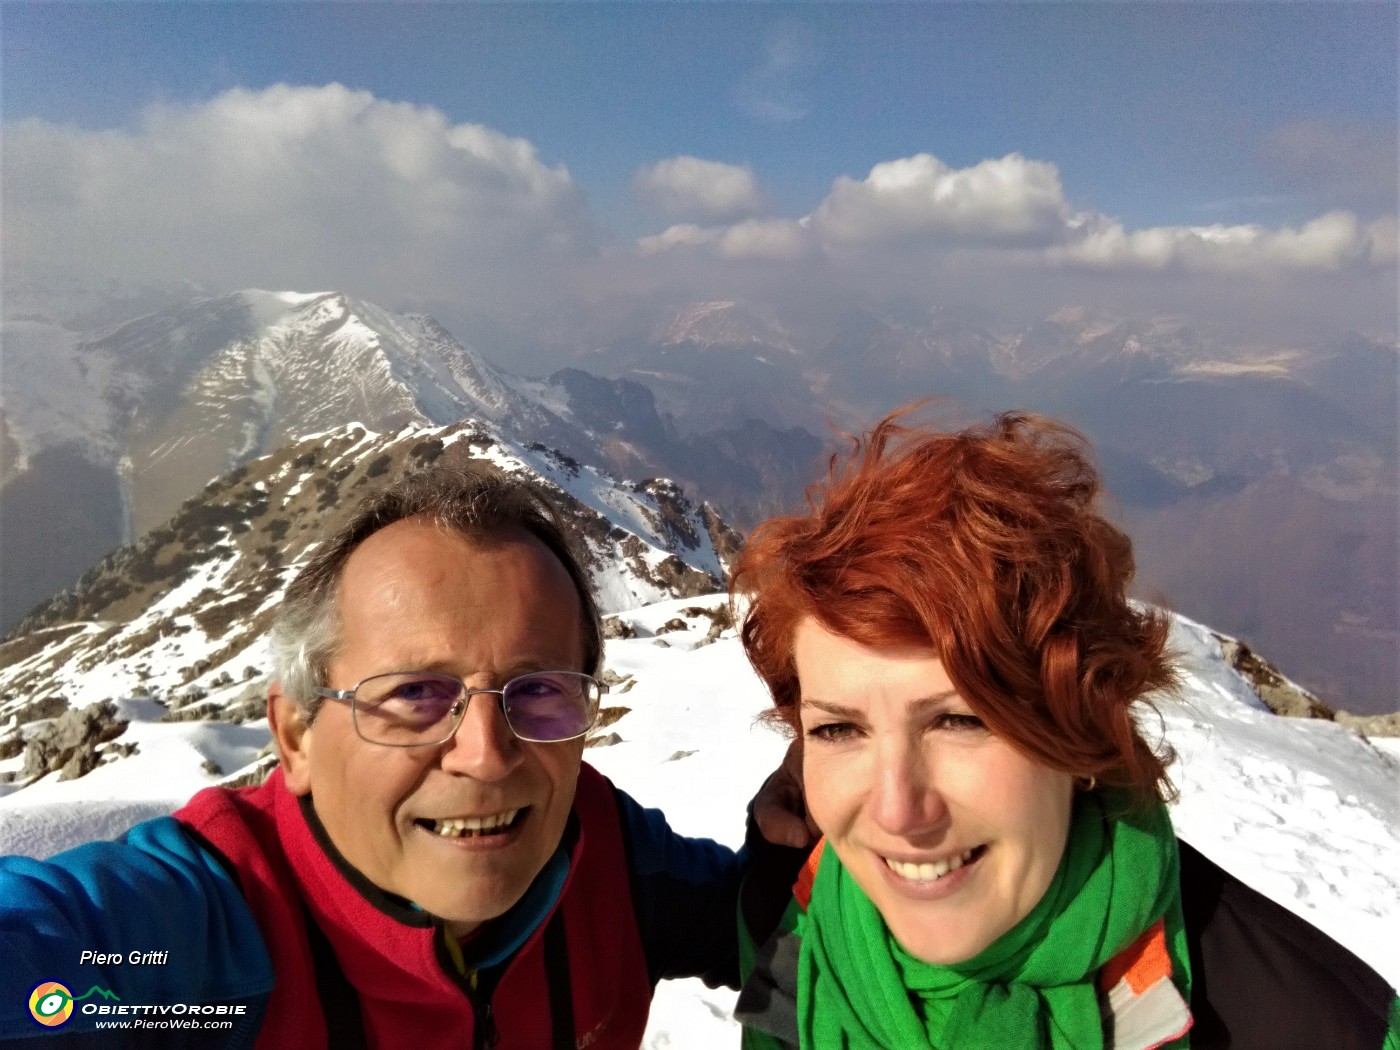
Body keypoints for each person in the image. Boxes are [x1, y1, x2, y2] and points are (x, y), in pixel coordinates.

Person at [0, 467, 804, 1048]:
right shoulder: (196, 935)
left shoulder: (605, 853)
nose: (487, 756)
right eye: (416, 694)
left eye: (539, 690)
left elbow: (761, 933)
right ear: (296, 736)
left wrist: (793, 845)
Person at [730, 408, 1400, 1050]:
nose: (898, 810)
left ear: (1078, 737)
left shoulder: (1316, 1027)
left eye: (962, 720)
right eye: (839, 731)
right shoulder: (798, 932)